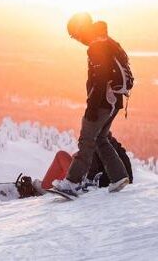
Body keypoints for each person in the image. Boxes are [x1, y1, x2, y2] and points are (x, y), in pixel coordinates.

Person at [52, 13, 134, 197]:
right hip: (115, 101)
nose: (77, 39)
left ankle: (71, 183)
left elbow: (100, 79)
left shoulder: (97, 46)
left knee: (86, 140)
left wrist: (92, 108)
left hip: (103, 101)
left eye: (75, 35)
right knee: (101, 139)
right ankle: (119, 176)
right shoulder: (108, 41)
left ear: (81, 29)